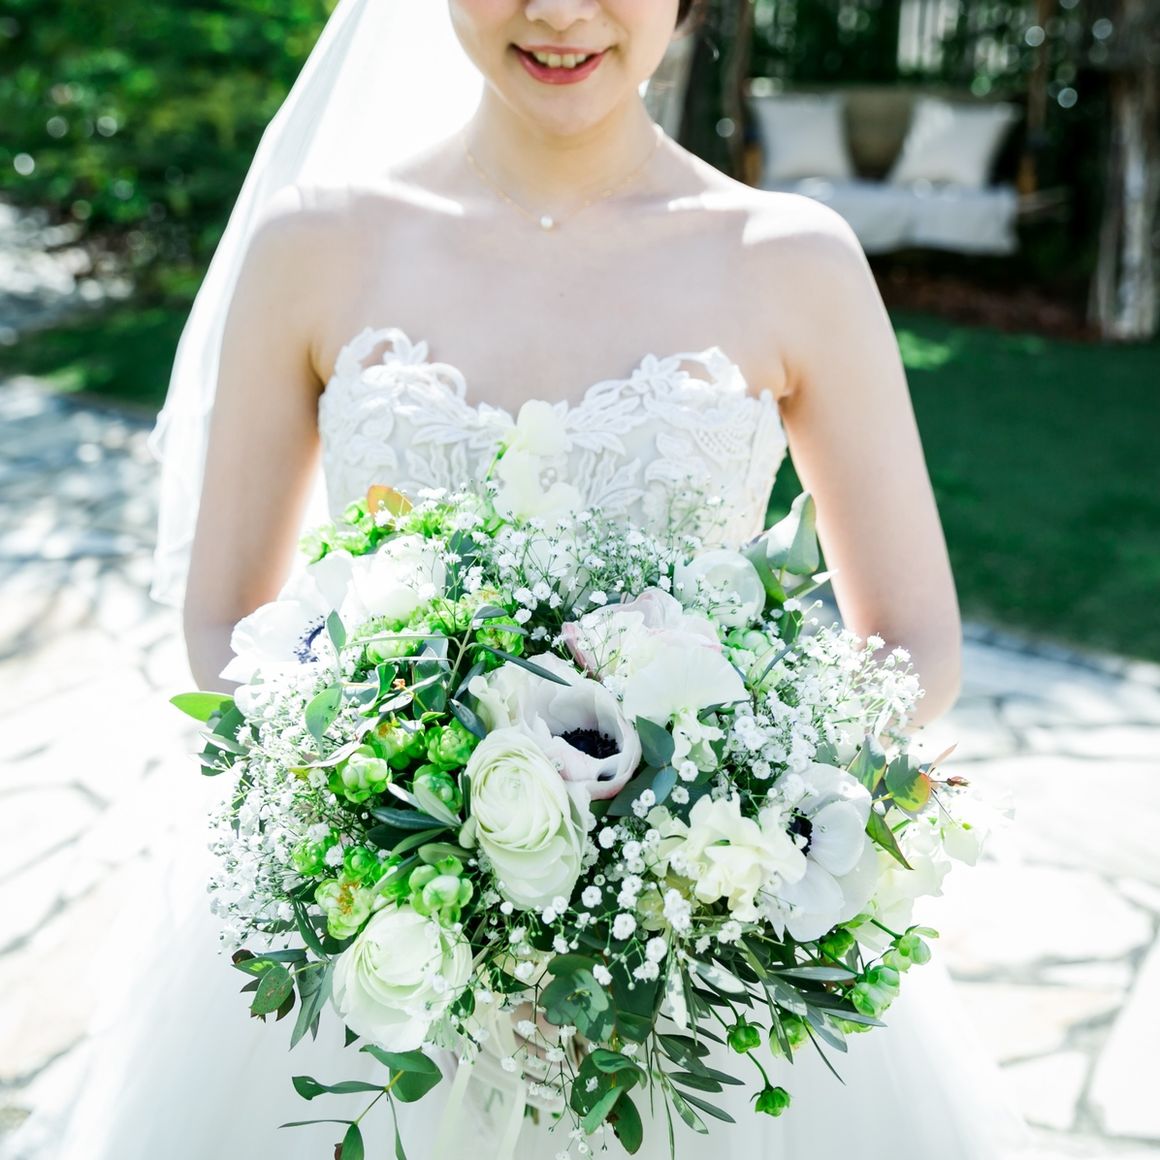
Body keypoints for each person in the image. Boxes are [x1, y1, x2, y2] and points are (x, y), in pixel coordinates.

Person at [4, 2, 1034, 1158]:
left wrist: (705, 842)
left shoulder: (789, 260)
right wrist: (388, 832)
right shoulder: (315, 244)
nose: (556, 13)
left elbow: (912, 643)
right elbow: (224, 620)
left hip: (686, 966)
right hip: (381, 952)